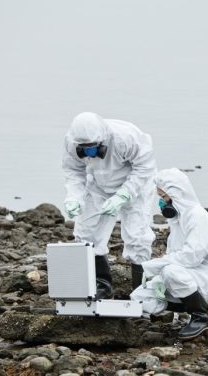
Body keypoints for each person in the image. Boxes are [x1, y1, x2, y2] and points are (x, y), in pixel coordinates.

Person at [62, 112, 156, 299]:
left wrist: (123, 195)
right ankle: (101, 286)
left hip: (136, 185)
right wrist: (74, 197)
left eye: (92, 146)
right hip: (99, 185)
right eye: (84, 147)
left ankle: (142, 293)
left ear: (102, 138)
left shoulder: (126, 137)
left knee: (137, 236)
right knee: (87, 234)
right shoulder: (71, 142)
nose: (88, 150)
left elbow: (145, 167)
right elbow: (73, 170)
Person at [131, 168, 208, 340]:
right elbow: (175, 257)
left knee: (171, 273)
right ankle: (138, 317)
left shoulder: (197, 216)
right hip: (192, 275)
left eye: (164, 197)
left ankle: (200, 316)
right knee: (140, 295)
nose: (162, 203)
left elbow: (192, 256)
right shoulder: (178, 220)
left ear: (176, 194)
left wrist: (156, 265)